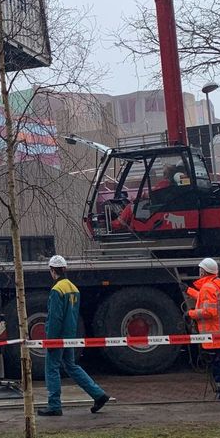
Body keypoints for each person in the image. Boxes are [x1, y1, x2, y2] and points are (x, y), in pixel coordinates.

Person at [39, 255, 111, 416]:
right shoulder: (73, 288)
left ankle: (54, 405)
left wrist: (50, 340)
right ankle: (98, 394)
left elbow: (55, 317)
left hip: (57, 337)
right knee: (71, 366)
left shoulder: (57, 290)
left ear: (52, 270)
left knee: (51, 368)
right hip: (70, 335)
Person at [187, 258, 220, 399]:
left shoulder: (207, 288)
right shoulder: (217, 285)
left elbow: (209, 312)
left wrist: (191, 314)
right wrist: (189, 291)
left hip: (213, 334)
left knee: (219, 367)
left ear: (203, 271)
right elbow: (206, 299)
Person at [110, 164, 179, 231]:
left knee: (130, 207)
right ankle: (129, 227)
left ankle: (115, 225)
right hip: (160, 208)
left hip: (155, 210)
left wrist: (137, 198)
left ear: (165, 175)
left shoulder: (164, 184)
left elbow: (151, 194)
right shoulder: (172, 185)